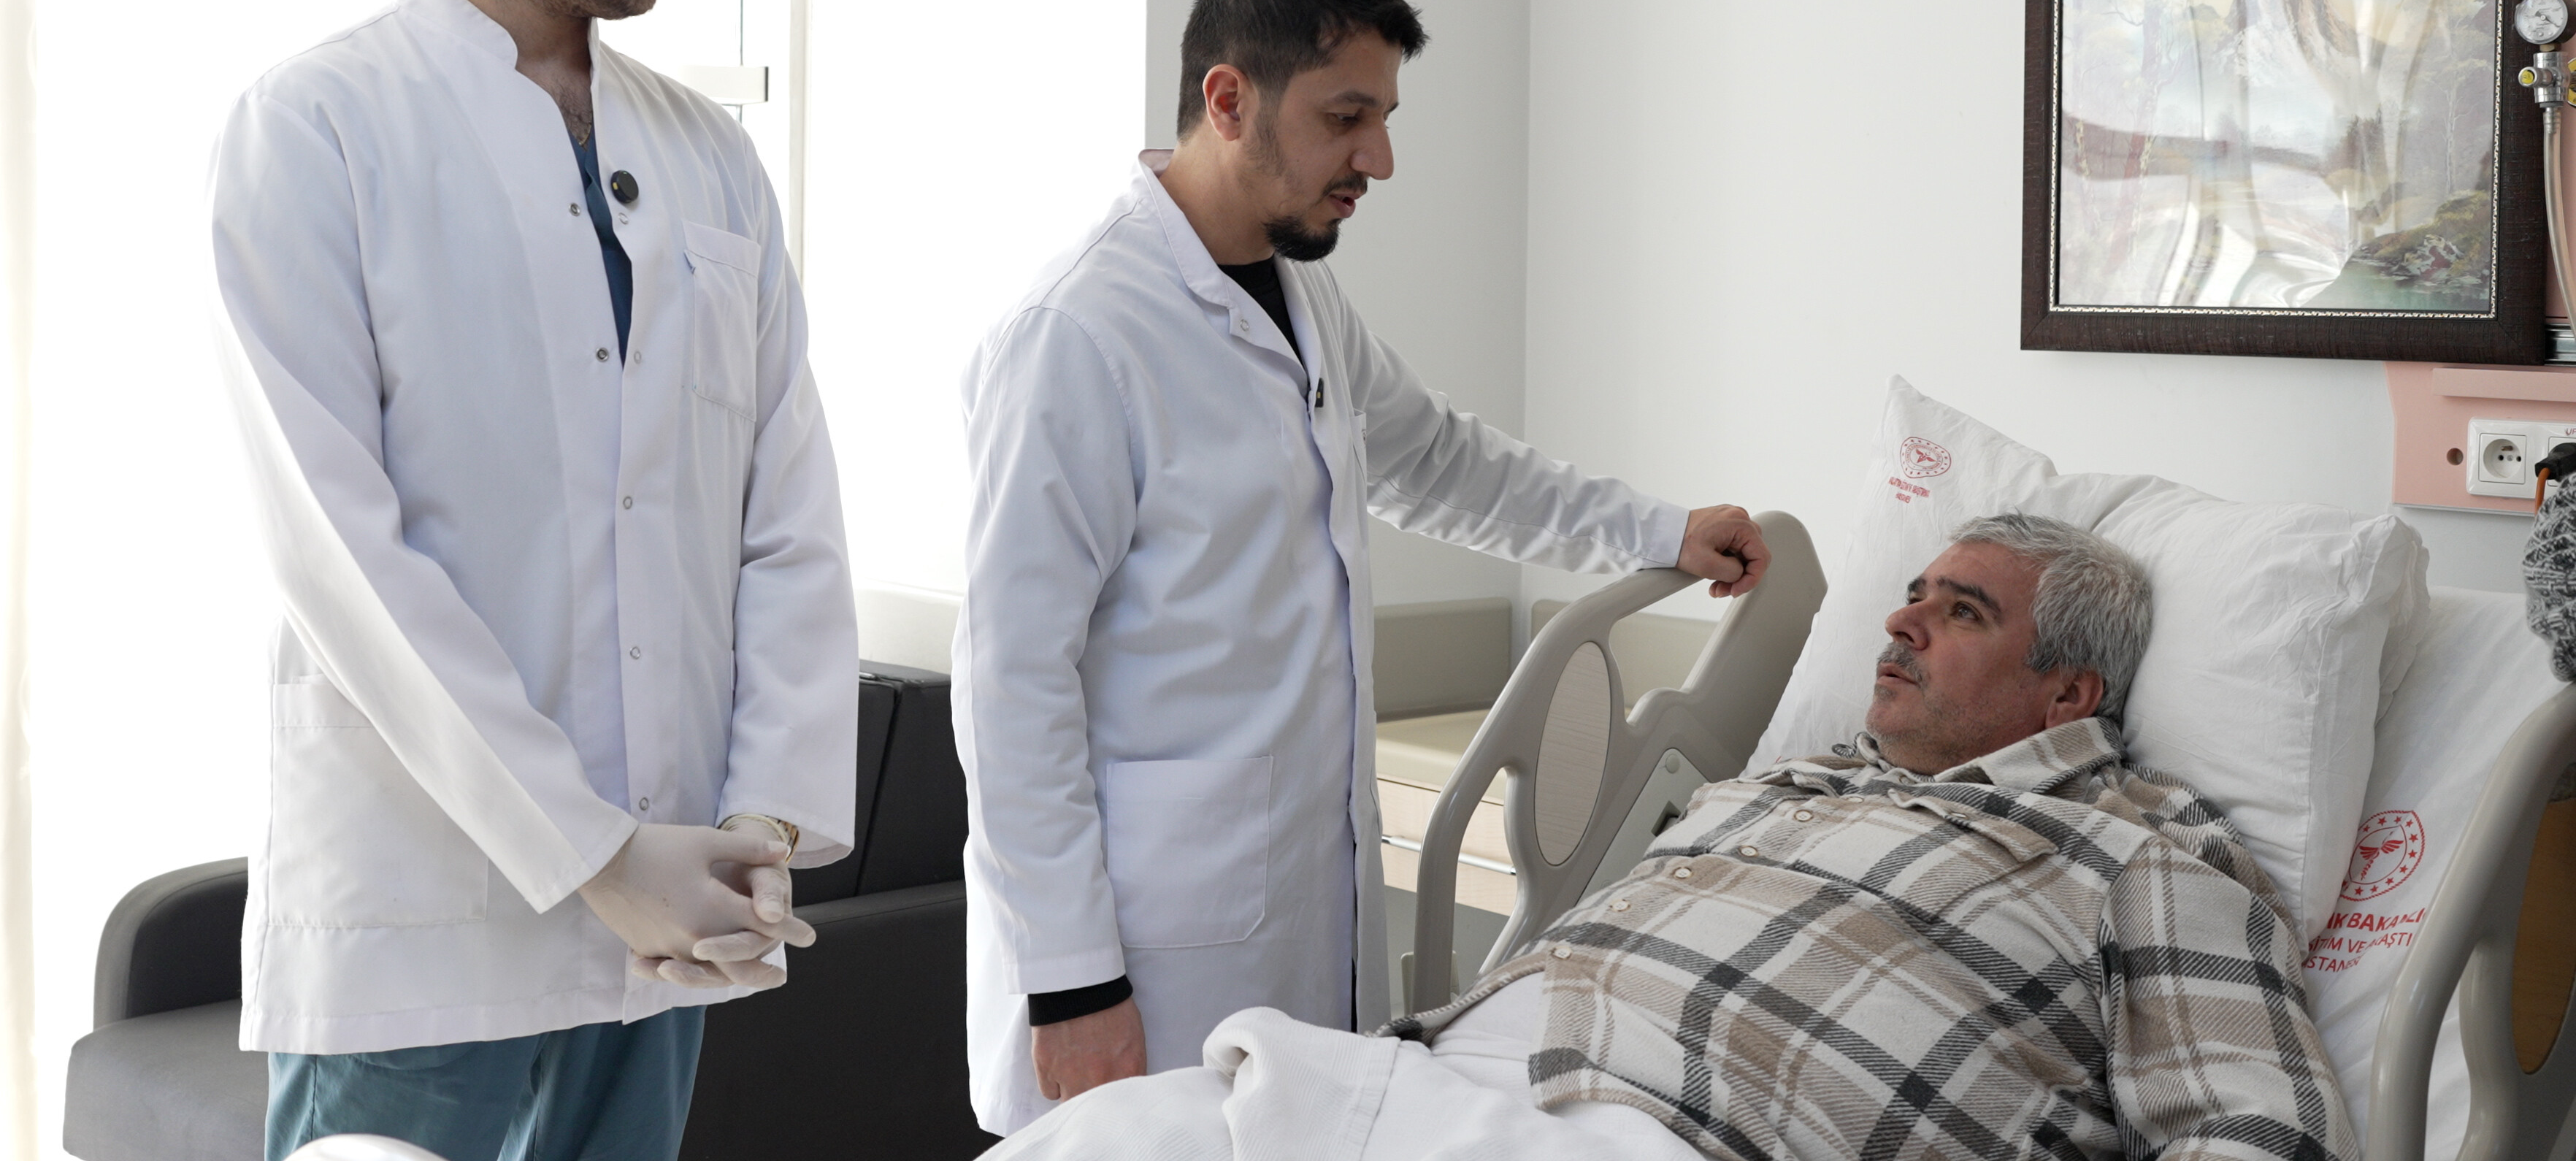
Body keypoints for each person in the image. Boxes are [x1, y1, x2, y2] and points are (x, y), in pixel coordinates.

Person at [954, 0, 1774, 1135]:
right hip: (1144, 952)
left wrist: (1659, 531)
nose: (1378, 160)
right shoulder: (1077, 335)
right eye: (1346, 118)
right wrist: (1071, 982)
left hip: (1293, 916)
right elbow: (1010, 684)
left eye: (1383, 118)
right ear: (1228, 100)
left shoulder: (1302, 294)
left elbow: (1439, 459)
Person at [211, 0, 856, 1161]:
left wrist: (759, 827)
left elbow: (787, 511)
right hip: (422, 923)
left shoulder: (709, 159)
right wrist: (591, 851)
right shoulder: (319, 126)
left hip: (668, 928)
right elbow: (340, 554)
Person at [984, 513, 2360, 1161]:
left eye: (1962, 614)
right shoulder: (1790, 780)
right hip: (1420, 1084)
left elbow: (2255, 1129)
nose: (1899, 621)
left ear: (2069, 694)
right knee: (1099, 1144)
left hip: (1699, 1134)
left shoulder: (2140, 856)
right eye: (1913, 592)